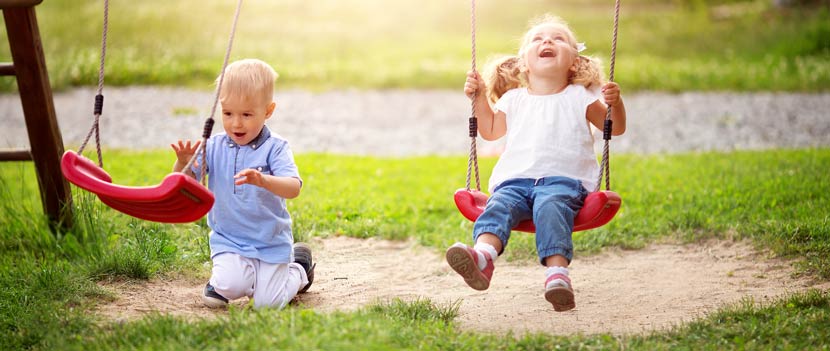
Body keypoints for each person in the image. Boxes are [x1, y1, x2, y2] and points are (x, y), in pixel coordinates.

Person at [446, 14, 626, 312]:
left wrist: (615, 104)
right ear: (523, 63)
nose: (547, 41)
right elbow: (489, 130)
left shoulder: (580, 97)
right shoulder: (513, 99)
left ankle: (557, 275)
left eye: (558, 39)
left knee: (550, 207)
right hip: (514, 181)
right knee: (498, 206)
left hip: (563, 182)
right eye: (538, 39)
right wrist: (478, 97)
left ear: (574, 61)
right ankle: (482, 257)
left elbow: (614, 128)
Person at [171, 58, 315, 309]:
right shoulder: (213, 146)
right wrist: (182, 163)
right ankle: (232, 281)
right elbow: (185, 183)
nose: (236, 123)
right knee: (222, 292)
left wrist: (263, 180)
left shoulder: (275, 148)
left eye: (247, 114)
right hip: (230, 240)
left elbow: (293, 188)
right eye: (228, 114)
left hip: (270, 241)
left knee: (267, 305)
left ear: (268, 111)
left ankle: (299, 270)